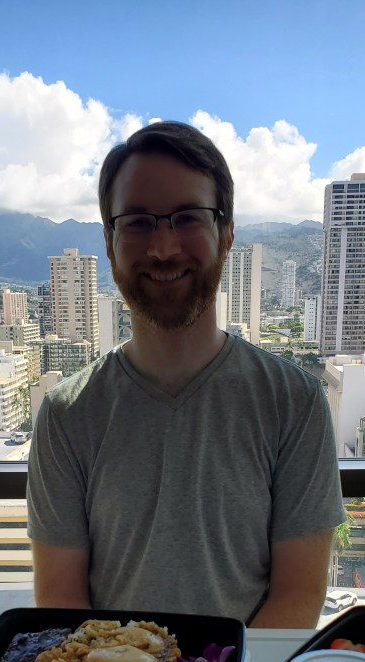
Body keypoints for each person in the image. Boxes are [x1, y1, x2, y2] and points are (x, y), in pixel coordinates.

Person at [26, 121, 345, 627]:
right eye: (137, 222)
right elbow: (61, 597)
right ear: (109, 242)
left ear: (227, 233)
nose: (163, 247)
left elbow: (299, 595)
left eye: (188, 218)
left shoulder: (294, 402)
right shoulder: (67, 413)